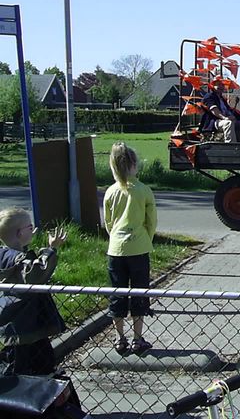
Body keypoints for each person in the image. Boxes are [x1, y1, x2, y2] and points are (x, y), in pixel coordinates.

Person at [103, 142, 157, 355]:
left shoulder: (110, 192)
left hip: (116, 249)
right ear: (133, 165)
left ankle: (119, 337)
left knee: (117, 292)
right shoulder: (143, 190)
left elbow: (108, 222)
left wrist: (115, 236)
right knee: (139, 291)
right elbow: (150, 220)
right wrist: (147, 238)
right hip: (139, 247)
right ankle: (137, 337)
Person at [0, 208, 67, 376]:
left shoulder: (6, 254)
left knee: (38, 367)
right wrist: (50, 249)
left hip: (19, 326)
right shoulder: (17, 258)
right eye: (30, 227)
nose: (34, 230)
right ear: (19, 233)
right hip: (24, 326)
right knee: (23, 372)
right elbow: (35, 274)